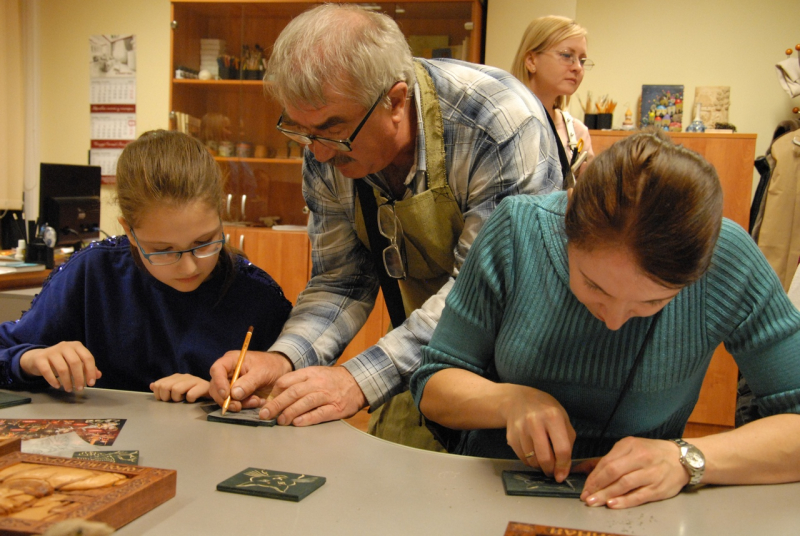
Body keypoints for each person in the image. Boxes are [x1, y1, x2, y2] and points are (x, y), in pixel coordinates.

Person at [208, 3, 562, 450]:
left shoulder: (497, 122)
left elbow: (481, 295)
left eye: (331, 130)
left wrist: (356, 379)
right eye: (301, 130)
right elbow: (341, 281)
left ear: (395, 100)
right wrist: (285, 358)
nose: (318, 154)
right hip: (422, 354)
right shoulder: (325, 143)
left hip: (519, 374)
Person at [411, 130, 800, 508]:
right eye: (594, 286)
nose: (613, 321)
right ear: (568, 221)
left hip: (641, 510)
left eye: (652, 302)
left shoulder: (729, 259)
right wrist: (507, 401)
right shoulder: (517, 231)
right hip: (489, 497)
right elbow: (433, 383)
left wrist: (687, 459)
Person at [0, 130, 292, 401]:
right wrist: (29, 360)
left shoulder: (257, 296)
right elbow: (6, 351)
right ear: (129, 231)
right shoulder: (92, 274)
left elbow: (291, 392)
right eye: (163, 250)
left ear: (221, 216)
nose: (189, 267)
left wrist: (222, 396)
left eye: (204, 242)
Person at [511, 15, 594, 179]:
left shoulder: (577, 132)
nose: (578, 67)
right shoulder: (502, 122)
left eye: (582, 60)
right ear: (531, 61)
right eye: (567, 55)